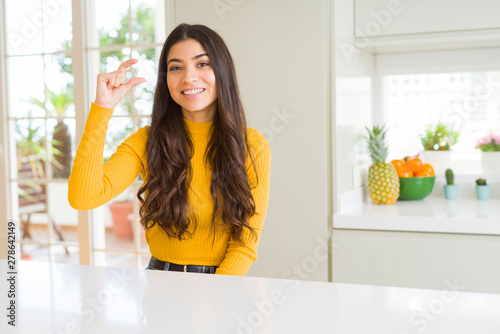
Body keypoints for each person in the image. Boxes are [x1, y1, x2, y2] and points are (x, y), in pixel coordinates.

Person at [68, 23, 271, 276]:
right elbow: (82, 197)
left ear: (223, 70)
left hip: (223, 284)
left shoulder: (252, 145)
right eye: (176, 67)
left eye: (202, 63)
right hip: (159, 280)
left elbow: (245, 245)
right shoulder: (146, 141)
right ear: (166, 79)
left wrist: (218, 295)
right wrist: (102, 108)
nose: (189, 77)